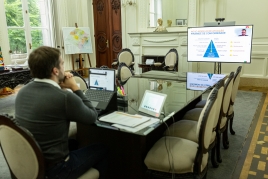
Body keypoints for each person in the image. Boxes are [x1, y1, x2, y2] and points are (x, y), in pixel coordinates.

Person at [15, 46, 108, 179]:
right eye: (63, 64)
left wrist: (58, 84)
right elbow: (92, 117)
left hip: (32, 162)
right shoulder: (64, 97)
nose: (65, 68)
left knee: (75, 143)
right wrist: (74, 87)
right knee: (102, 149)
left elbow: (46, 98)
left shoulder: (23, 91)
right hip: (57, 169)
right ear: (55, 70)